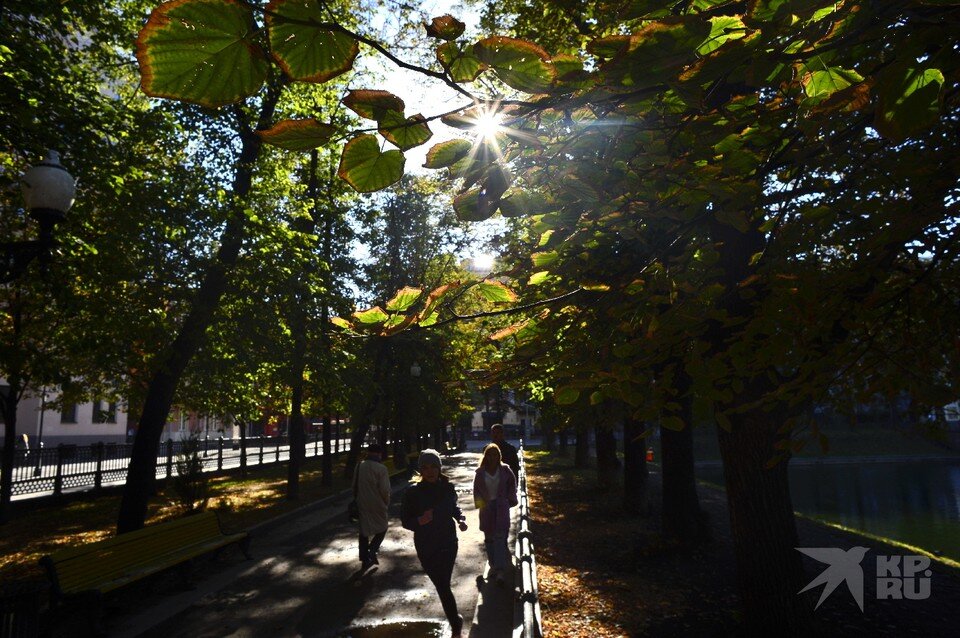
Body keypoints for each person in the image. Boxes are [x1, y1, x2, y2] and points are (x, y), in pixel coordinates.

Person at [401, 449, 468, 638]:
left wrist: (460, 518)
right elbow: (405, 520)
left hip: (448, 542)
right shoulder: (412, 493)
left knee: (442, 584)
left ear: (439, 468)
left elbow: (454, 507)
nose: (429, 471)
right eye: (425, 467)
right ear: (420, 470)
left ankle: (455, 625)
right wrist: (419, 521)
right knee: (442, 584)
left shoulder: (447, 487)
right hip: (425, 545)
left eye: (433, 467)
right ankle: (456, 620)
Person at [473, 443, 518, 586]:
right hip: (486, 509)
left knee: (499, 538)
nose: (492, 457)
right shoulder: (480, 473)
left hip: (501, 507)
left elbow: (512, 485)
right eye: (489, 454)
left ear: (499, 456)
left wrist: (509, 500)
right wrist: (481, 506)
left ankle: (500, 570)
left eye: (495, 454)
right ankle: (493, 565)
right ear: (485, 456)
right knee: (489, 539)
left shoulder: (505, 470)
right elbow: (476, 492)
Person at [354, 443, 391, 571]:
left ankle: (364, 559)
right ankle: (372, 550)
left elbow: (354, 485)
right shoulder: (381, 468)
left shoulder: (359, 466)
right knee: (383, 528)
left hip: (362, 502)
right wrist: (386, 502)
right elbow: (385, 490)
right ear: (379, 453)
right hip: (377, 503)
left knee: (363, 531)